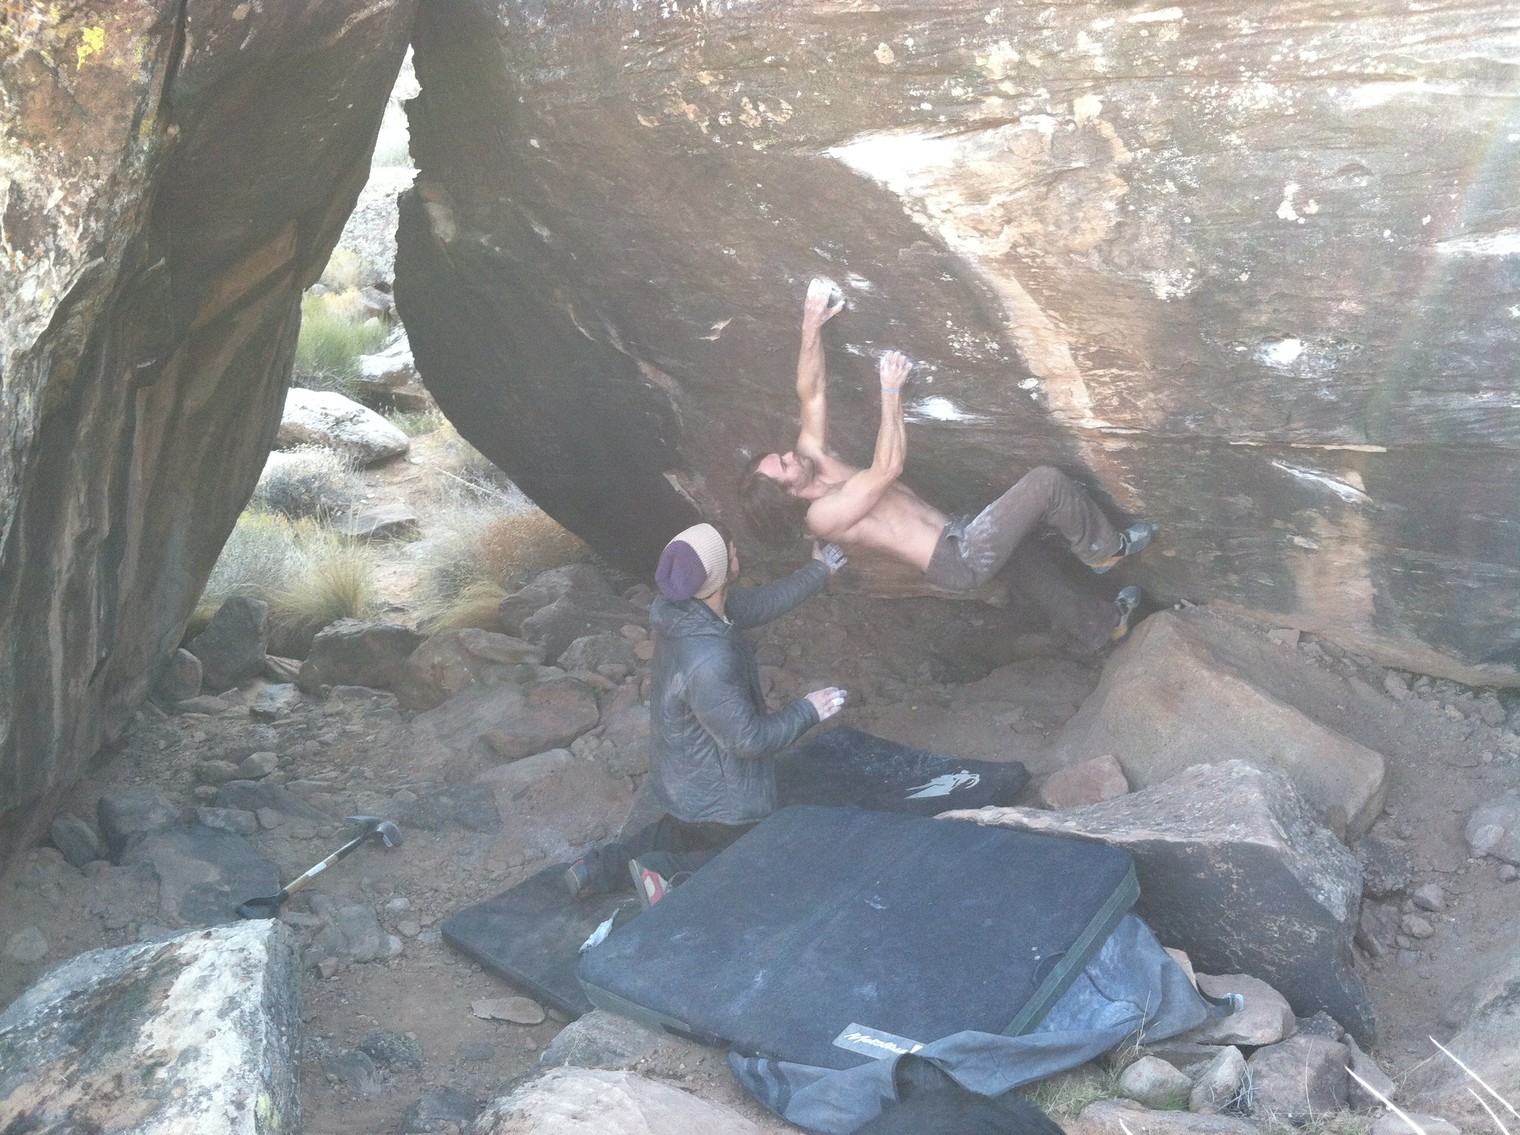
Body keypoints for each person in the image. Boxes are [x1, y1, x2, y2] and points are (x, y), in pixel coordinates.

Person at [740, 279, 1154, 652]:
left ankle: (1103, 626)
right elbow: (886, 469)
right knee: (1046, 484)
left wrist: (810, 324)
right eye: (784, 465)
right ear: (789, 494)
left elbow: (811, 392)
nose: (790, 454)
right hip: (957, 558)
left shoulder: (812, 458)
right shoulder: (823, 516)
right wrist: (890, 391)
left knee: (1025, 557)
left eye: (782, 456)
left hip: (957, 532)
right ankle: (1104, 550)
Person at [565, 521, 848, 906]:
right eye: (731, 550)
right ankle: (668, 873)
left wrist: (818, 571)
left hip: (685, 783)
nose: (737, 554)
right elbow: (748, 740)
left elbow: (762, 602)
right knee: (756, 852)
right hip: (721, 800)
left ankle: (597, 869)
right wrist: (809, 710)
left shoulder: (687, 609)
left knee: (678, 831)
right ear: (720, 569)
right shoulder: (709, 657)